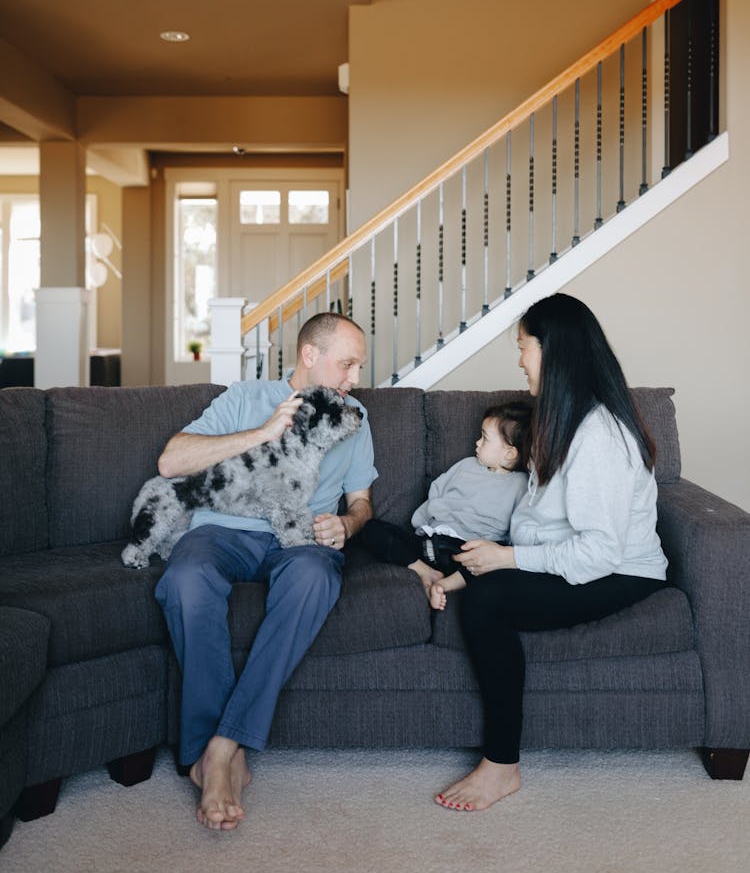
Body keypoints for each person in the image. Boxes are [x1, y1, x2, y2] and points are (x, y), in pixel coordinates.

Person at [434, 293, 668, 813]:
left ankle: (501, 767)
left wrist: (507, 560)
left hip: (623, 573)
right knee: (471, 567)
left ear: (553, 351)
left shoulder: (600, 435)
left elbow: (600, 553)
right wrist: (496, 552)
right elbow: (545, 521)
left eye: (524, 347)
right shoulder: (560, 418)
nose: (519, 360)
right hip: (577, 559)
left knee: (488, 600)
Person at [155, 312, 376, 832]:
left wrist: (348, 522)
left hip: (299, 538)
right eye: (347, 365)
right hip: (223, 532)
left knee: (316, 578)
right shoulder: (245, 397)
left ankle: (221, 747)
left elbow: (362, 500)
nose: (355, 380)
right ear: (309, 356)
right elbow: (170, 461)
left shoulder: (356, 415)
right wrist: (263, 431)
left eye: (359, 367)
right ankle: (222, 754)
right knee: (185, 580)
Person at [360, 403, 531, 609]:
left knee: (498, 560)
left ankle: (444, 585)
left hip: (468, 550)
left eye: (485, 438)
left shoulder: (521, 484)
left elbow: (519, 526)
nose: (477, 443)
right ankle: (426, 572)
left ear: (509, 454)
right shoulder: (466, 465)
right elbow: (437, 492)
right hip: (431, 539)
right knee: (371, 528)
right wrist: (424, 526)